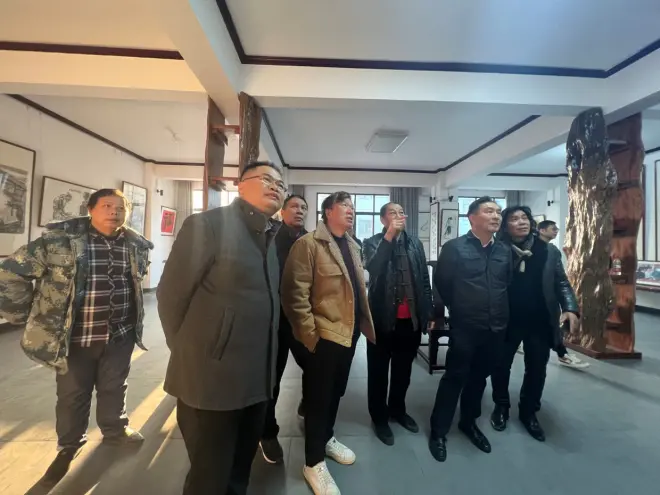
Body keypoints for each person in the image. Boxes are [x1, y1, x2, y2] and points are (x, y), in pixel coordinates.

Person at [0, 189, 153, 488]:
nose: (114, 212)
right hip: (75, 337)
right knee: (73, 394)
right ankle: (69, 445)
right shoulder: (59, 242)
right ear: (90, 209)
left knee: (114, 386)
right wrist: (28, 313)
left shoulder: (135, 245)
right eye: (107, 206)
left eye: (121, 207)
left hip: (119, 334)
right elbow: (10, 273)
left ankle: (115, 429)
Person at [158, 161, 285, 495]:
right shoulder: (207, 225)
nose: (276, 187)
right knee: (209, 477)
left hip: (257, 381)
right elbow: (171, 296)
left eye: (281, 184)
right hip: (211, 383)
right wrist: (196, 352)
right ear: (240, 185)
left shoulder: (270, 236)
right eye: (267, 179)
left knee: (240, 472)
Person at [282, 191, 376, 495]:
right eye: (344, 205)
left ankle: (326, 437)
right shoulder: (308, 245)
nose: (351, 210)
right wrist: (311, 337)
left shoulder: (353, 245)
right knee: (318, 398)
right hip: (323, 336)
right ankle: (313, 462)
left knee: (336, 392)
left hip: (348, 334)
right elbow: (294, 296)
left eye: (352, 206)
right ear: (328, 212)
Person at [428, 197, 512, 463]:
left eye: (498, 212)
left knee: (479, 379)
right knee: (455, 377)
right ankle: (439, 431)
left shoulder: (504, 250)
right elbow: (442, 284)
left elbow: (506, 284)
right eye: (489, 211)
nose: (496, 216)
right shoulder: (455, 248)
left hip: (495, 327)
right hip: (465, 326)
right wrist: (458, 309)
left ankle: (468, 422)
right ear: (472, 218)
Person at [489, 207, 580, 441]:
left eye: (525, 218)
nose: (521, 222)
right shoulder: (497, 250)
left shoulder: (548, 251)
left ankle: (529, 411)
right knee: (500, 365)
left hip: (540, 319)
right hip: (506, 320)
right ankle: (501, 406)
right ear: (505, 225)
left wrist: (570, 308)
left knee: (537, 367)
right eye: (514, 219)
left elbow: (561, 282)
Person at [363, 202, 433, 445]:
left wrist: (427, 314)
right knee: (378, 372)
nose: (399, 216)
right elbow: (373, 268)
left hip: (410, 320)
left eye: (401, 212)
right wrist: (390, 236)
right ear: (383, 220)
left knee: (403, 371)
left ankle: (397, 409)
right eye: (393, 213)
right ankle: (379, 417)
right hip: (382, 319)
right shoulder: (372, 242)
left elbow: (424, 279)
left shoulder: (415, 243)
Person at [260, 194, 310, 464]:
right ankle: (267, 432)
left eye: (303, 207)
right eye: (294, 206)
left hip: (303, 319)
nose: (299, 210)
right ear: (282, 210)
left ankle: (308, 405)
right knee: (272, 378)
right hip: (275, 320)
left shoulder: (312, 240)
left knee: (315, 368)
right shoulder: (269, 237)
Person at [536, 220, 589, 370]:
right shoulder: (517, 249)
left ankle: (562, 353)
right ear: (541, 230)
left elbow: (561, 281)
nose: (556, 231)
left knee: (552, 330)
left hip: (547, 302)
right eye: (553, 229)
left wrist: (570, 307)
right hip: (519, 306)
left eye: (557, 229)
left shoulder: (552, 251)